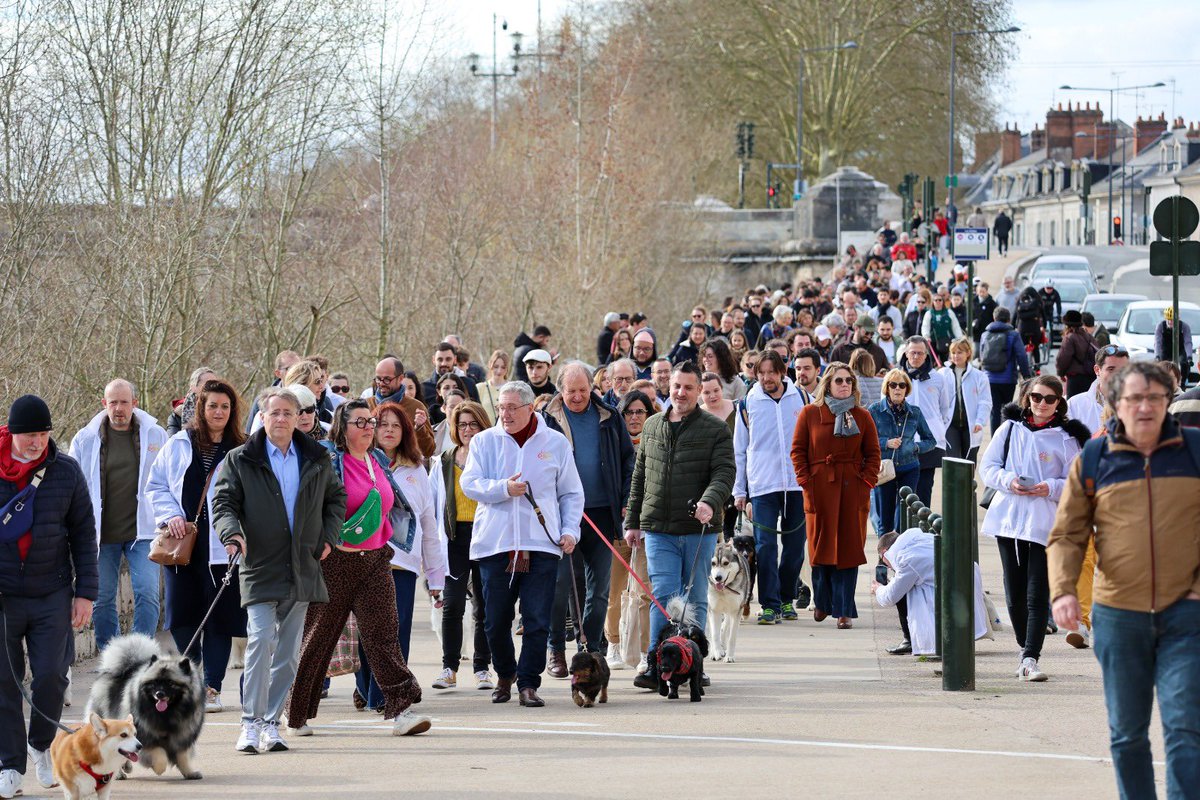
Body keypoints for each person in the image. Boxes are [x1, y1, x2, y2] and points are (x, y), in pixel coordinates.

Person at [1048, 362, 1200, 799]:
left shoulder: (1194, 450)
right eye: (1135, 398)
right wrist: (1063, 591)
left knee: (1186, 726)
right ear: (1116, 403)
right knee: (1127, 733)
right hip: (1119, 615)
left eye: (1154, 397)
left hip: (1187, 614)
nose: (1145, 407)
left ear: (1168, 401)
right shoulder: (1095, 458)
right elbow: (1068, 533)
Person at [209, 387, 346, 752]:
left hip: (303, 565)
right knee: (259, 640)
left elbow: (336, 499)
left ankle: (271, 723)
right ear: (263, 417)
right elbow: (223, 502)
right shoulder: (240, 458)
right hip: (259, 565)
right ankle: (250, 724)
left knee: (287, 653)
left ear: (299, 417)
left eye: (288, 413)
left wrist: (329, 537)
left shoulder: (317, 457)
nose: (282, 419)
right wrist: (231, 533)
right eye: (275, 413)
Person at [282, 399, 429, 739]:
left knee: (384, 635)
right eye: (360, 422)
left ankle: (401, 710)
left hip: (376, 559)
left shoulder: (377, 460)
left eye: (370, 422)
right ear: (342, 427)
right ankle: (296, 713)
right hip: (335, 562)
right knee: (319, 638)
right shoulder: (327, 461)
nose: (368, 428)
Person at [460, 382, 584, 707]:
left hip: (541, 543)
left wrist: (570, 530)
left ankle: (528, 683)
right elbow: (469, 483)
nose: (505, 414)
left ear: (530, 408)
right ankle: (505, 674)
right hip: (495, 544)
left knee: (537, 619)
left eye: (512, 407)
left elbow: (571, 492)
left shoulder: (555, 442)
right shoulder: (484, 441)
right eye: (501, 407)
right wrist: (503, 488)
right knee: (495, 620)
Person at [0, 396, 97, 797]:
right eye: (30, 435)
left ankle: (39, 745)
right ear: (12, 434)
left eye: (43, 434)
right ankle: (9, 765)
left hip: (52, 592)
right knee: (4, 681)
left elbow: (84, 534)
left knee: (53, 676)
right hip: (4, 595)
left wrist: (86, 593)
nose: (37, 442)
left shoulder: (66, 470)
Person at [625, 361, 734, 689]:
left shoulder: (715, 429)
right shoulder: (653, 425)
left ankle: (692, 661)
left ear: (699, 390)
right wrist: (633, 521)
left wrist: (709, 502)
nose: (681, 393)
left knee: (696, 596)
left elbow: (724, 472)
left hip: (698, 529)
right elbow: (640, 476)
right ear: (668, 388)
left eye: (688, 387)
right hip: (658, 528)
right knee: (663, 596)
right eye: (676, 386)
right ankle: (656, 660)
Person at [145, 378, 248, 714]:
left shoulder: (242, 448)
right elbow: (156, 486)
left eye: (225, 406)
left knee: (220, 617)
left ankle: (212, 687)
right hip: (183, 543)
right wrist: (170, 515)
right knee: (180, 614)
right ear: (201, 409)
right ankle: (195, 670)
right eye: (212, 405)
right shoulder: (178, 444)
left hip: (223, 544)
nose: (218, 412)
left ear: (232, 411)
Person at [981, 375, 1088, 682]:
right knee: (1014, 593)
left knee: (1037, 592)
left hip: (1046, 523)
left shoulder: (1067, 438)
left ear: (1059, 402)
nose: (1042, 404)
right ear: (1027, 398)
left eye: (1050, 399)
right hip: (1009, 519)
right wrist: (1010, 481)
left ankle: (1030, 657)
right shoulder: (1009, 429)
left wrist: (1050, 487)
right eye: (1037, 397)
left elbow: (1077, 481)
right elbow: (988, 468)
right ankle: (1024, 648)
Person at [542, 364, 634, 677]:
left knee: (599, 589)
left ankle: (591, 649)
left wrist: (625, 499)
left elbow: (627, 460)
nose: (578, 396)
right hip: (562, 515)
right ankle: (556, 648)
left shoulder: (609, 416)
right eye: (572, 391)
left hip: (601, 512)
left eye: (583, 390)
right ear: (561, 391)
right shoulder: (547, 420)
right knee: (559, 585)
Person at [356, 402, 447, 712]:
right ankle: (368, 688)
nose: (389, 430)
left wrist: (435, 575)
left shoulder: (416, 469)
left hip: (402, 563)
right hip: (363, 559)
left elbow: (429, 524)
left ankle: (388, 696)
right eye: (383, 424)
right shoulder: (358, 462)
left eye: (396, 425)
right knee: (367, 632)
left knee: (397, 630)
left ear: (406, 431)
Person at [68, 379, 167, 652]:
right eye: (113, 403)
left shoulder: (156, 435)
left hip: (143, 532)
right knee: (101, 599)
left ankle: (139, 655)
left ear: (135, 403)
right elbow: (71, 484)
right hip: (101, 535)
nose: (119, 408)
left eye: (124, 402)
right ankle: (112, 658)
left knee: (148, 594)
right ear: (104, 404)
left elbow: (169, 478)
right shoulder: (85, 439)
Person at [791, 364, 881, 629]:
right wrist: (806, 481)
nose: (844, 385)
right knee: (819, 547)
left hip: (852, 489)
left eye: (849, 381)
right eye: (839, 380)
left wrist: (866, 482)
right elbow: (797, 451)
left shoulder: (862, 416)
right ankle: (822, 601)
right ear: (828, 384)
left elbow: (873, 454)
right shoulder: (810, 413)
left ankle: (844, 610)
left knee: (849, 549)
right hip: (819, 488)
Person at [733, 351, 810, 625]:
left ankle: (787, 598)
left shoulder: (802, 398)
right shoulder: (747, 403)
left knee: (794, 548)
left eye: (771, 372)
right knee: (765, 546)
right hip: (762, 485)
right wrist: (740, 490)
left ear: (782, 372)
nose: (766, 378)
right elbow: (740, 449)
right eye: (761, 373)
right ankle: (769, 604)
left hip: (797, 484)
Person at [429, 401, 494, 690]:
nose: (468, 430)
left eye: (473, 424)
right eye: (462, 425)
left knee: (485, 606)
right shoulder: (443, 461)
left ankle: (482, 668)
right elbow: (432, 504)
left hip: (486, 539)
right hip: (454, 539)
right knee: (452, 604)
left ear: (483, 425)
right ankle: (449, 668)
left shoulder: (493, 458)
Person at [873, 530, 990, 656]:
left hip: (953, 600)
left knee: (903, 589)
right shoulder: (925, 538)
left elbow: (891, 596)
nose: (887, 565)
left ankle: (909, 640)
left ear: (885, 552)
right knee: (907, 582)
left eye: (882, 560)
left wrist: (878, 589)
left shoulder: (906, 559)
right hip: (966, 593)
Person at [605, 390, 655, 670]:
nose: (634, 418)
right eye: (629, 412)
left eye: (640, 412)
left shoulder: (657, 441)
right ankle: (613, 643)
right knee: (614, 592)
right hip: (617, 528)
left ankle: (644, 651)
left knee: (644, 591)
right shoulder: (611, 443)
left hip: (647, 529)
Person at [868, 369, 935, 536]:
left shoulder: (914, 412)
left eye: (902, 385)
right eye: (893, 385)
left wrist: (915, 447)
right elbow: (865, 440)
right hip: (884, 469)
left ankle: (900, 551)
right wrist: (886, 443)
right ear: (887, 388)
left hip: (909, 467)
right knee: (885, 519)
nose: (897, 388)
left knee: (903, 518)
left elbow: (931, 440)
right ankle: (884, 552)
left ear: (907, 389)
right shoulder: (875, 410)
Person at [897, 337, 952, 506]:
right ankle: (904, 523)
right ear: (906, 353)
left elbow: (945, 409)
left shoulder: (938, 378)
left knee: (924, 488)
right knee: (904, 490)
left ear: (926, 354)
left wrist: (937, 429)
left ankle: (923, 522)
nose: (916, 357)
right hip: (902, 441)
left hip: (929, 442)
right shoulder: (896, 378)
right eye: (912, 352)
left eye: (920, 353)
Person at [370, 358, 436, 458]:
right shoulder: (367, 405)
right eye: (378, 379)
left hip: (405, 465)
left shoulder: (416, 407)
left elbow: (428, 451)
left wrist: (420, 429)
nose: (382, 383)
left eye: (387, 379)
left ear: (400, 378)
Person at [980, 307, 1032, 432]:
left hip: (990, 379)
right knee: (1007, 410)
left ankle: (995, 439)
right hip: (1008, 379)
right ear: (1008, 319)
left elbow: (982, 355)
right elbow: (1021, 356)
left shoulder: (985, 334)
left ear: (994, 318)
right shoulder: (1013, 334)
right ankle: (1005, 436)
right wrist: (1026, 376)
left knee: (994, 412)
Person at [940, 339, 992, 462]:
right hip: (950, 425)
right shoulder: (942, 374)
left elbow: (985, 401)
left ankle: (968, 477)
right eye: (953, 352)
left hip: (972, 426)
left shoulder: (979, 376)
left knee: (969, 463)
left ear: (968, 353)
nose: (956, 356)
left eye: (959, 352)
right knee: (953, 461)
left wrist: (980, 421)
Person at [244, 350, 301, 433]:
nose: (296, 373)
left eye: (299, 368)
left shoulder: (313, 396)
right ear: (278, 373)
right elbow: (250, 434)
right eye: (290, 369)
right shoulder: (264, 400)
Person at [1056, 310, 1100, 398]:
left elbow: (1063, 358)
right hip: (1090, 377)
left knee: (1073, 404)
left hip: (1075, 379)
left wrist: (1061, 373)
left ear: (1067, 325)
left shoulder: (1069, 338)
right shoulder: (1088, 336)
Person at [167, 366, 217, 436]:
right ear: (193, 387)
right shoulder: (177, 416)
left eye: (216, 385)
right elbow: (173, 440)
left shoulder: (224, 411)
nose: (213, 388)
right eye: (208, 385)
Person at [1154, 306, 1194, 379]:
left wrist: (1189, 357)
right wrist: (1157, 356)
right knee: (1162, 365)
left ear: (1178, 319)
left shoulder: (1184, 326)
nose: (1170, 322)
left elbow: (1188, 342)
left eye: (1172, 320)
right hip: (1165, 350)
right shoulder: (1160, 326)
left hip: (1180, 350)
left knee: (1184, 363)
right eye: (1168, 319)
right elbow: (1157, 342)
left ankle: (1182, 382)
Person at [921, 294, 962, 363]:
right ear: (933, 302)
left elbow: (956, 326)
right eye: (936, 300)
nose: (938, 302)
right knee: (932, 362)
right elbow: (925, 326)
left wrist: (959, 338)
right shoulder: (929, 313)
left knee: (946, 362)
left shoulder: (949, 312)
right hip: (932, 341)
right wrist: (926, 336)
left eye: (940, 300)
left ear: (943, 301)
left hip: (946, 341)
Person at [477, 349, 511, 424]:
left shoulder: (512, 388)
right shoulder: (479, 388)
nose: (499, 371)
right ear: (490, 365)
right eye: (496, 366)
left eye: (503, 367)